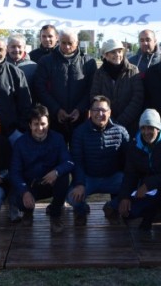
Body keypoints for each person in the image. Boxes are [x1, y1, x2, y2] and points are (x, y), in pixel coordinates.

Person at [118, 109, 161, 243]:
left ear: (158, 128)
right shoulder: (134, 145)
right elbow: (130, 174)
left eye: (151, 128)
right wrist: (124, 197)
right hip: (148, 191)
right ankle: (148, 218)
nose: (146, 132)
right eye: (143, 128)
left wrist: (149, 184)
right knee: (129, 212)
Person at [9, 105, 74, 233]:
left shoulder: (58, 138)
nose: (40, 128)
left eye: (43, 124)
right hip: (30, 184)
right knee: (18, 196)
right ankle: (28, 212)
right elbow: (14, 172)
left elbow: (69, 162)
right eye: (36, 124)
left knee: (63, 178)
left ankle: (55, 215)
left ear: (48, 123)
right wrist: (24, 191)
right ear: (29, 125)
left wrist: (56, 172)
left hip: (51, 182)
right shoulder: (20, 143)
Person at [67, 95, 130, 226]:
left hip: (113, 177)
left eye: (103, 110)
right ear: (90, 112)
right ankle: (82, 209)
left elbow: (131, 160)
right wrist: (79, 183)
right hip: (88, 178)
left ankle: (112, 206)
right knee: (71, 197)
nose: (100, 114)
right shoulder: (79, 132)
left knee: (136, 188)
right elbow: (76, 161)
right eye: (96, 110)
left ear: (110, 112)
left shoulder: (121, 131)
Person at [33, 30, 97, 141]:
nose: (67, 47)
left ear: (77, 43)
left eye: (70, 43)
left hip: (80, 119)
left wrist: (79, 109)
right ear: (58, 41)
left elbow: (92, 89)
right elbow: (40, 88)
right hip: (53, 119)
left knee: (78, 153)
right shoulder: (46, 61)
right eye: (63, 43)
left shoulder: (89, 62)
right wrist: (56, 109)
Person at [89, 39, 144, 132]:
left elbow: (137, 98)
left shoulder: (133, 70)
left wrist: (121, 121)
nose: (117, 55)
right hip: (105, 125)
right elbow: (95, 97)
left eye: (119, 51)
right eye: (113, 52)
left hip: (130, 125)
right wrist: (108, 119)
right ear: (105, 55)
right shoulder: (99, 74)